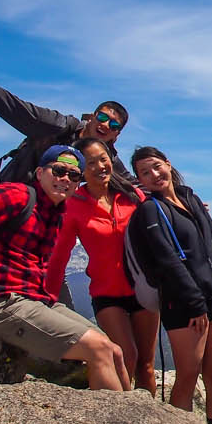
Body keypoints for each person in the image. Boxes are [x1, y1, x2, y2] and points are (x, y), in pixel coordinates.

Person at [0, 145, 129, 391]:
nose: (65, 179)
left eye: (74, 176)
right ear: (40, 172)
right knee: (98, 349)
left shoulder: (55, 214)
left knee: (114, 350)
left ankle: (137, 422)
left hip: (34, 300)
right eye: (59, 171)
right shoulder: (15, 196)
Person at [129, 146, 212, 424]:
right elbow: (166, 260)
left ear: (168, 163)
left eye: (156, 167)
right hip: (185, 309)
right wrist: (195, 304)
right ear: (139, 179)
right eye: (144, 172)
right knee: (188, 376)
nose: (154, 175)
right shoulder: (150, 211)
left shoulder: (190, 197)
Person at [45, 138, 159, 395]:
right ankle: (123, 418)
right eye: (91, 162)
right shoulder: (74, 204)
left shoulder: (132, 195)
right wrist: (48, 298)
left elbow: (159, 231)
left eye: (103, 159)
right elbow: (59, 256)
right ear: (82, 170)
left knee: (147, 366)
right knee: (125, 356)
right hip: (107, 293)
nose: (100, 166)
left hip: (143, 289)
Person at [0, 50, 129, 186]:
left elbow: (133, 183)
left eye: (113, 124)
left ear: (115, 136)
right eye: (102, 117)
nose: (105, 124)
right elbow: (11, 106)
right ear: (92, 117)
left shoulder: (106, 161)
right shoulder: (55, 126)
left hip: (51, 218)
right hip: (14, 197)